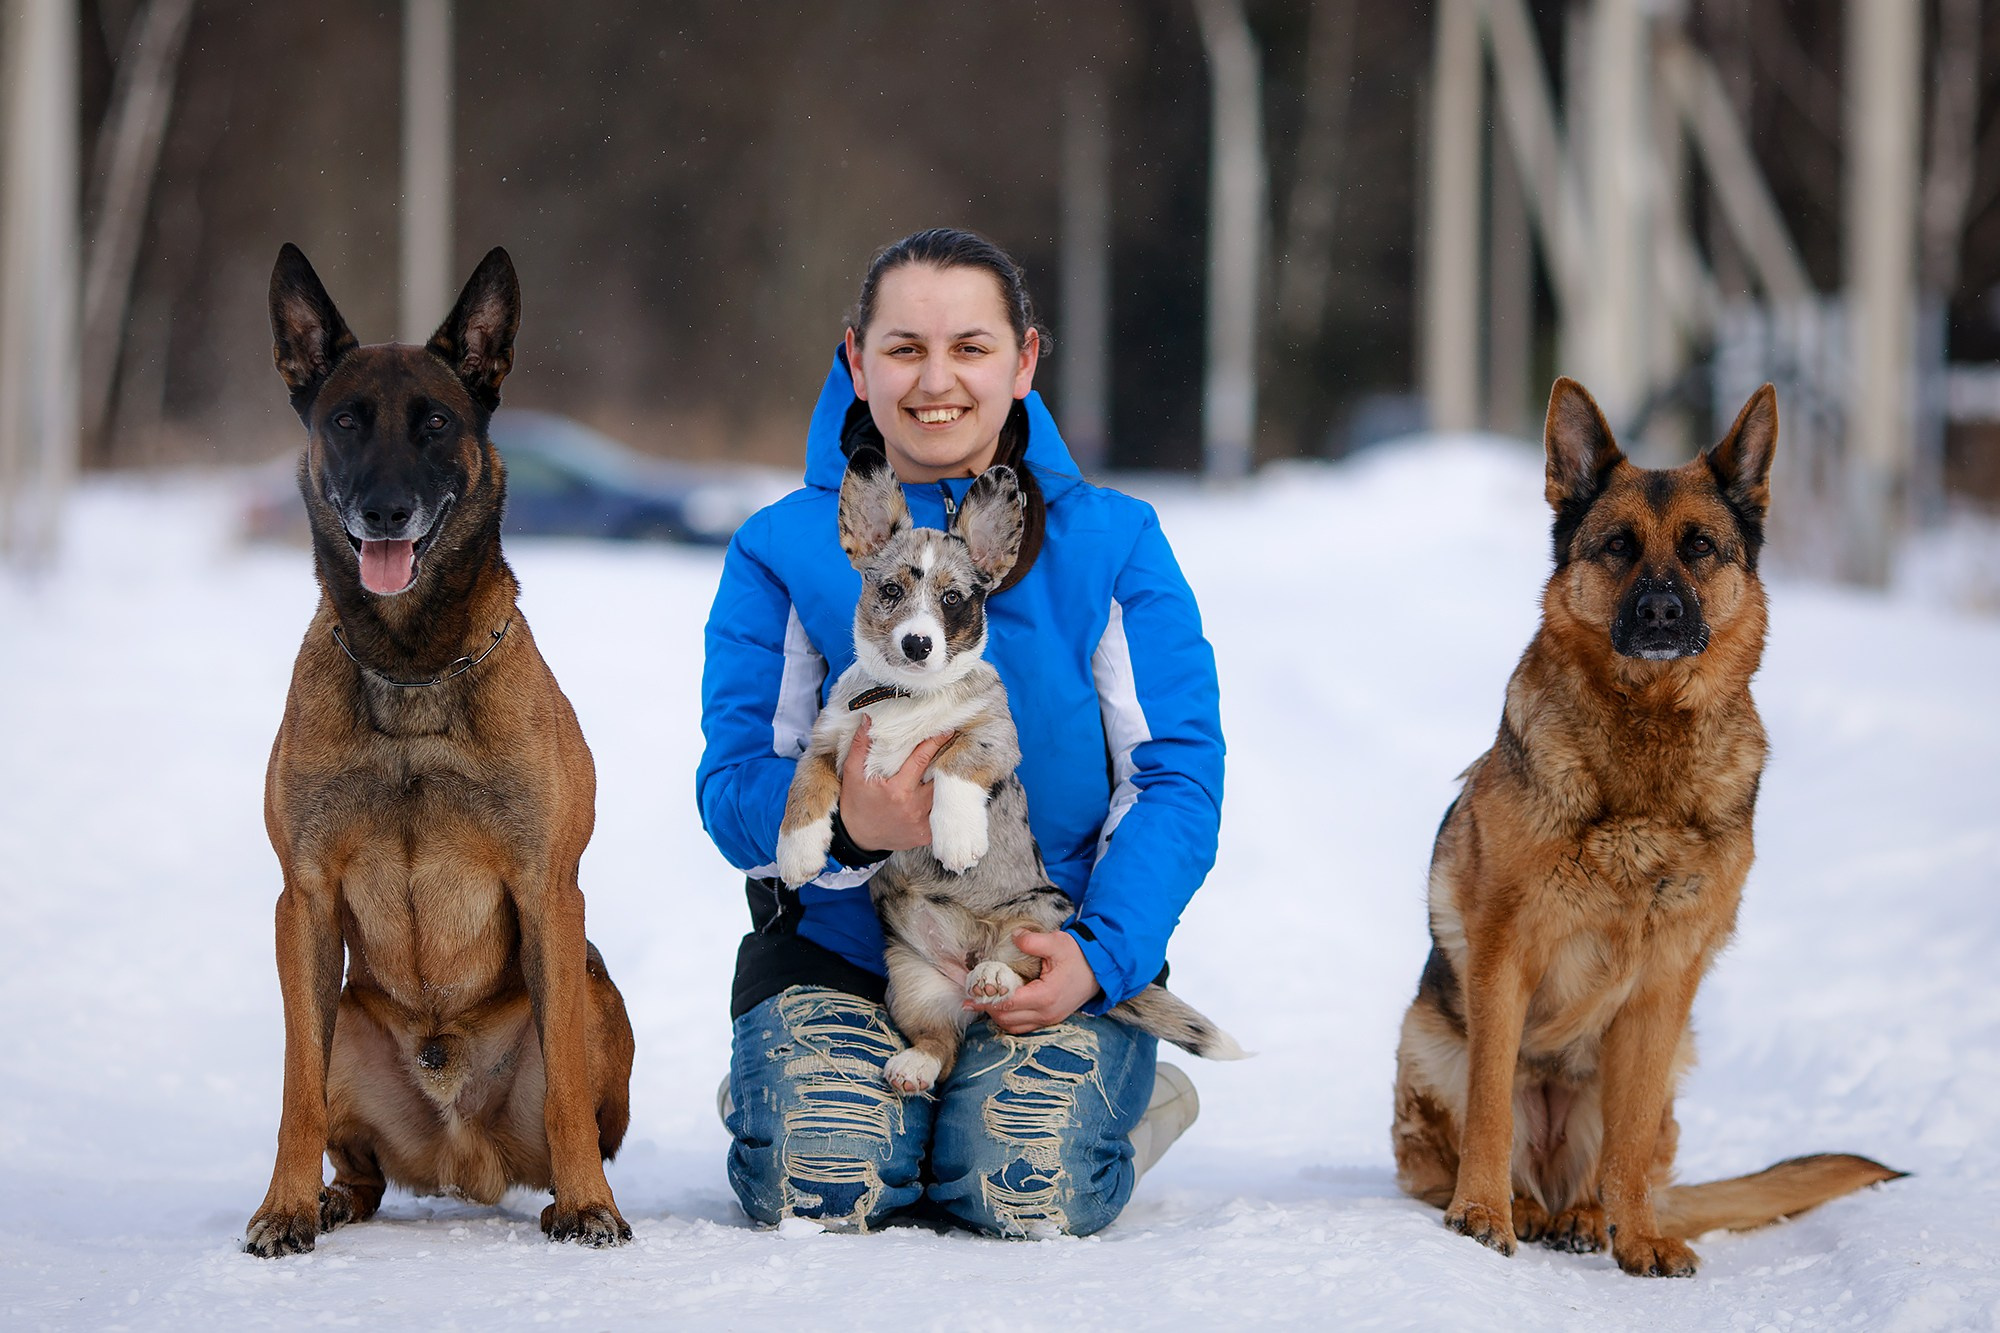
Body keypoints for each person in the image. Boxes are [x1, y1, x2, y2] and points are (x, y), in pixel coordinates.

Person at [696, 227, 1224, 1238]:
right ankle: (798, 1100)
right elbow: (732, 787)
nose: (936, 381)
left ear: (1023, 361)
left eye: (970, 348)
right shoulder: (780, 547)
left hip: (1038, 944)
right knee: (822, 1187)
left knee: (1021, 1187)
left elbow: (1176, 776)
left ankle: (1106, 1104)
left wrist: (1102, 952)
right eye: (904, 348)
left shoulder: (1113, 541)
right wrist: (849, 822)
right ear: (857, 362)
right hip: (846, 951)